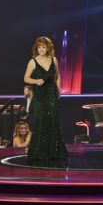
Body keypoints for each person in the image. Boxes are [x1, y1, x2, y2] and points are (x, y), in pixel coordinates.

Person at [23, 36, 68, 164]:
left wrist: (58, 92)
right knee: (41, 122)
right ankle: (39, 152)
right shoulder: (33, 61)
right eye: (39, 47)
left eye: (44, 47)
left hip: (52, 95)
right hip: (39, 96)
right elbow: (26, 78)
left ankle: (54, 152)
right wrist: (36, 81)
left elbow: (57, 77)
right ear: (36, 48)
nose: (41, 49)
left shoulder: (54, 59)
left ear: (48, 48)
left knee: (53, 122)